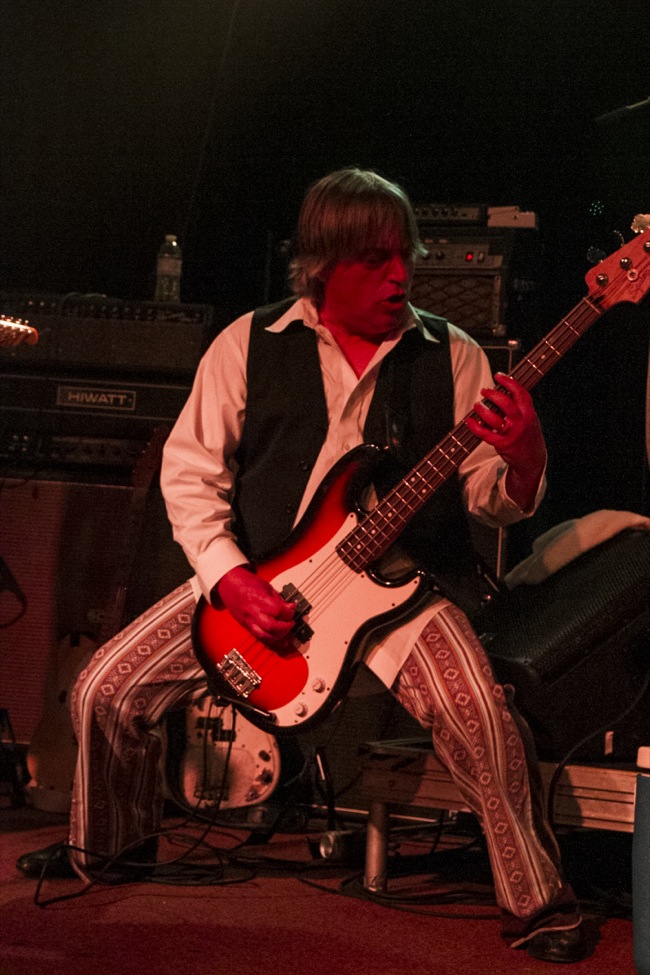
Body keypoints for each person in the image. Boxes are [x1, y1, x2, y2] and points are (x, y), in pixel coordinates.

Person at [17, 167, 587, 963]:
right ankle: (108, 847)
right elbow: (190, 475)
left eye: (405, 256)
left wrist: (525, 457)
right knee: (104, 690)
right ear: (323, 263)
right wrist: (234, 580)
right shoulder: (247, 344)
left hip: (403, 590)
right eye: (375, 259)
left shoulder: (450, 354)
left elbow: (492, 500)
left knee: (482, 718)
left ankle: (538, 903)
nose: (400, 275)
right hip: (264, 584)